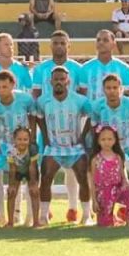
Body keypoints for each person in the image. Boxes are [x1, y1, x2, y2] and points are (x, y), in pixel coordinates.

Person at [36, 66, 93, 225]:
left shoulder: (80, 100)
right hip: (53, 147)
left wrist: (82, 137)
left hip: (75, 147)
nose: (59, 82)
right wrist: (46, 137)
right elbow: (39, 117)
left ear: (68, 81)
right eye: (56, 79)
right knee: (46, 178)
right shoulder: (43, 100)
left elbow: (91, 116)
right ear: (50, 81)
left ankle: (86, 215)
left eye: (62, 79)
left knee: (82, 178)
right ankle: (44, 215)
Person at [0, 69, 38, 224]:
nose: (1, 90)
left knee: (26, 178)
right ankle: (0, 215)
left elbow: (33, 118)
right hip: (2, 144)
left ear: (13, 85)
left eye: (5, 87)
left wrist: (32, 139)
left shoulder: (25, 99)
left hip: (22, 145)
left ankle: (26, 215)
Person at [87, 125, 129, 227]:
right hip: (103, 192)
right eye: (103, 139)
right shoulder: (95, 159)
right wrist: (94, 201)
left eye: (110, 139)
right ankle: (108, 217)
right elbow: (92, 182)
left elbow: (122, 175)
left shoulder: (118, 157)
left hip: (117, 188)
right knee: (106, 224)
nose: (107, 142)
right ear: (98, 141)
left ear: (115, 140)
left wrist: (126, 184)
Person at [6, 126, 40, 227]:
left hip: (30, 170)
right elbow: (12, 169)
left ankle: (36, 222)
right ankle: (10, 222)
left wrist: (33, 184)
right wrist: (11, 185)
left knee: (34, 193)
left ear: (29, 140)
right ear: (14, 140)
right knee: (11, 193)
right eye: (19, 139)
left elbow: (32, 167)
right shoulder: (11, 151)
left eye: (25, 139)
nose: (22, 142)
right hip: (17, 170)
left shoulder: (33, 149)